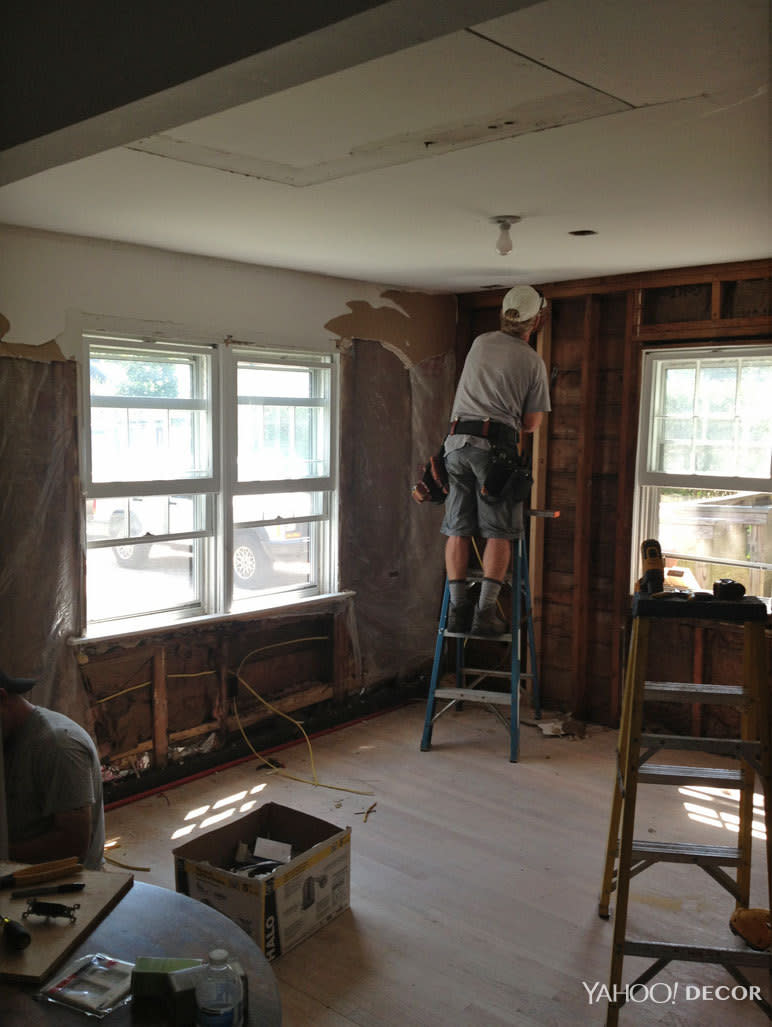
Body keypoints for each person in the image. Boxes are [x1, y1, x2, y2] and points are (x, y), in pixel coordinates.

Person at [441, 284, 551, 636]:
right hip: (495, 449)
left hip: (455, 445)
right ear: (538, 320)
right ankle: (484, 613)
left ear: (503, 314)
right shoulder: (533, 361)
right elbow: (532, 424)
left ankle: (459, 611)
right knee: (498, 533)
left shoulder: (480, 342)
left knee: (458, 529)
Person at [1, 669, 105, 869]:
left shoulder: (59, 745)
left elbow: (74, 846)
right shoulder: (8, 735)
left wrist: (5, 853)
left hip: (66, 883)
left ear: (2, 698)